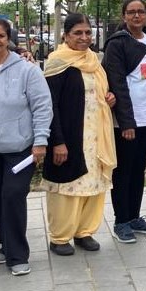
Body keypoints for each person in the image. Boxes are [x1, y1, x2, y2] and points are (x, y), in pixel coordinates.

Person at [0, 19, 53, 276]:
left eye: (1, 36)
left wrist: (40, 141)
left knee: (13, 195)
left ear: (9, 39)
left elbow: (42, 107)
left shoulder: (28, 71)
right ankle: (5, 244)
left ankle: (18, 255)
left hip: (20, 147)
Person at [42, 14, 118, 255]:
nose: (84, 38)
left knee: (93, 184)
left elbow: (101, 92)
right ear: (65, 36)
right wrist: (58, 142)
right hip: (70, 136)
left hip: (95, 136)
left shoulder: (94, 61)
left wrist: (109, 98)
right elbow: (50, 106)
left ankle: (84, 232)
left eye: (88, 33)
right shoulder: (58, 62)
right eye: (78, 33)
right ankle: (60, 237)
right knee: (67, 187)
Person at [102, 0, 146, 243]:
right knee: (124, 171)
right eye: (131, 12)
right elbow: (116, 83)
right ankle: (121, 221)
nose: (136, 16)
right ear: (124, 16)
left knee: (139, 169)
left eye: (140, 12)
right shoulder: (118, 44)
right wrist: (126, 122)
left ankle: (135, 216)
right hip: (129, 120)